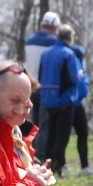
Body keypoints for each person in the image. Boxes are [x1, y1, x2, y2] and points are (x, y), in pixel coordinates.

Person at [37, 24, 84, 177]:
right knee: (62, 137)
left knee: (50, 135)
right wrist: (80, 74)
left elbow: (40, 75)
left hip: (47, 99)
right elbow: (73, 79)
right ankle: (57, 167)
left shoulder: (46, 53)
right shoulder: (68, 53)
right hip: (64, 100)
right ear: (70, 37)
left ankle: (47, 165)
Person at [24, 11, 61, 126]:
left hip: (31, 86)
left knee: (35, 123)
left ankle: (34, 144)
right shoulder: (53, 42)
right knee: (46, 125)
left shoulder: (30, 40)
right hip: (46, 88)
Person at [70, 43, 93, 176]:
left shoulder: (80, 62)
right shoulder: (72, 58)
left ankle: (84, 166)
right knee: (62, 137)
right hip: (69, 103)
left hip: (78, 103)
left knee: (83, 134)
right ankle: (60, 164)